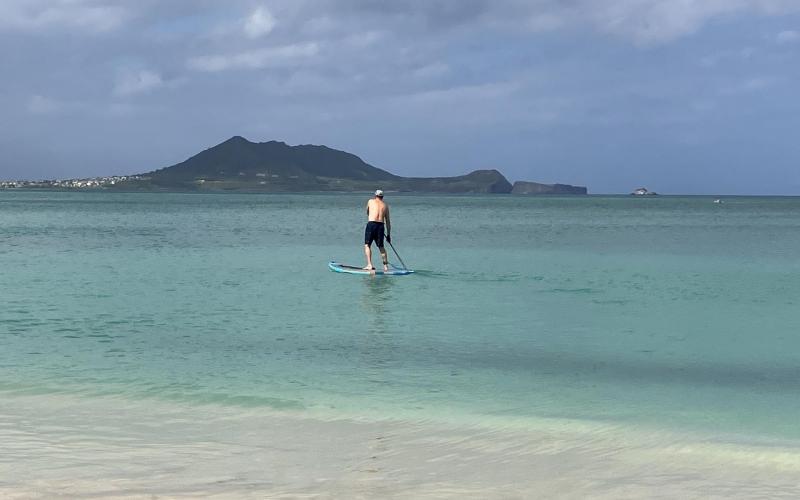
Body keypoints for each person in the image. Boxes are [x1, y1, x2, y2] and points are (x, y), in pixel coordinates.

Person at [364, 189, 391, 271]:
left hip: (371, 224)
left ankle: (369, 265)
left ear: (375, 195)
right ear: (382, 197)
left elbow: (367, 212)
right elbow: (388, 222)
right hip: (381, 226)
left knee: (367, 245)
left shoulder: (370, 201)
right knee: (381, 247)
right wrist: (388, 235)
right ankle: (386, 267)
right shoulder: (385, 206)